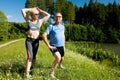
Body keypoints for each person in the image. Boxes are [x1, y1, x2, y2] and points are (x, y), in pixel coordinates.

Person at [21, 7, 50, 78]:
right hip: (29, 41)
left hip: (36, 41)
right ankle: (27, 74)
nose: (37, 15)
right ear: (32, 15)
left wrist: (41, 10)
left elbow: (48, 15)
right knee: (29, 57)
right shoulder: (28, 21)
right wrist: (31, 9)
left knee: (34, 57)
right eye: (36, 14)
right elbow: (23, 10)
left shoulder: (40, 21)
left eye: (38, 14)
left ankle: (32, 69)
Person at [42, 12, 65, 79]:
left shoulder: (63, 26)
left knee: (62, 59)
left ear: (61, 18)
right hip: (54, 46)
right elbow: (43, 35)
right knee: (58, 58)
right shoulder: (51, 26)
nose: (58, 18)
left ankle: (60, 65)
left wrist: (64, 45)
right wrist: (49, 45)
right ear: (54, 18)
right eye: (56, 16)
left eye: (59, 17)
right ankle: (51, 73)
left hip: (61, 45)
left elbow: (63, 35)